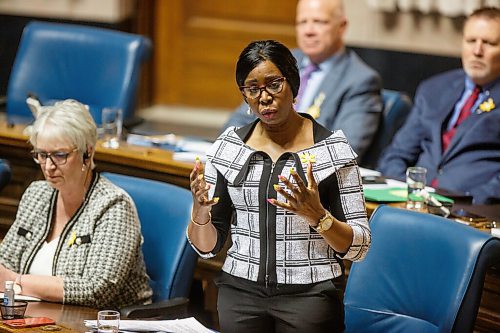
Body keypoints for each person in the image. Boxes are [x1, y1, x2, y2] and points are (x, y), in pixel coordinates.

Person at [188, 40, 370, 332]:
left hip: (309, 296)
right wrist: (200, 213)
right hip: (240, 293)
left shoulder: (333, 151)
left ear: (293, 84)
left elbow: (359, 246)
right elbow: (208, 248)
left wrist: (318, 217)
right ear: (244, 95)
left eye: (274, 84)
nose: (264, 98)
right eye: (253, 89)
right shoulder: (229, 148)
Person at [0, 99, 152, 308]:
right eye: (42, 155)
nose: (49, 166)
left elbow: (96, 289)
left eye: (60, 155)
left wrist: (16, 282)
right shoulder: (37, 194)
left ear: (87, 154)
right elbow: (5, 262)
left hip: (103, 324)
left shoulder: (113, 206)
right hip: (40, 317)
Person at [222, 0, 383, 162]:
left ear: (342, 26)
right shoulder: (280, 62)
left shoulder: (359, 80)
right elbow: (239, 121)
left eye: (319, 21)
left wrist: (278, 161)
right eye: (302, 22)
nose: (308, 31)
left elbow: (344, 150)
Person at [378, 7, 500, 204]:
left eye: (489, 43)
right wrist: (406, 194)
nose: (477, 51)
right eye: (471, 41)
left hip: (473, 212)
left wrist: (465, 203)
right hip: (413, 204)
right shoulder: (434, 89)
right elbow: (396, 155)